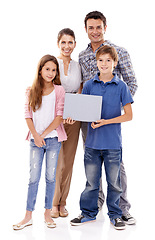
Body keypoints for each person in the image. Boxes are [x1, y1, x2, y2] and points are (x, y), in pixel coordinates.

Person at [79, 11, 138, 225]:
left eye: (98, 27)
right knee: (92, 165)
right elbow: (82, 86)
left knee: (115, 167)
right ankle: (93, 208)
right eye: (90, 27)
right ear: (86, 30)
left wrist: (116, 103)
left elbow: (131, 82)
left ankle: (121, 209)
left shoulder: (120, 51)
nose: (95, 31)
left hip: (112, 121)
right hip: (90, 120)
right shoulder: (83, 56)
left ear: (105, 27)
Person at [70, 45, 133, 230]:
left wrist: (106, 122)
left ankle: (115, 215)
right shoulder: (89, 85)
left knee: (114, 183)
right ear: (95, 62)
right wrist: (72, 114)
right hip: (92, 144)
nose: (104, 64)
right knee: (91, 182)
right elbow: (82, 111)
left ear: (115, 63)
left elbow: (128, 115)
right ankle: (88, 214)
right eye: (100, 60)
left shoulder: (121, 86)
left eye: (108, 60)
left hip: (113, 144)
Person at [13, 55, 67, 230]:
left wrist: (42, 135)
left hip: (53, 140)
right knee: (33, 178)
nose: (50, 73)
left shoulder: (59, 90)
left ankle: (47, 213)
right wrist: (36, 136)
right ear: (40, 70)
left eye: (54, 70)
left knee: (50, 178)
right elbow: (27, 115)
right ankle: (28, 216)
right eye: (47, 69)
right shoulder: (31, 90)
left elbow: (59, 117)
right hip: (36, 140)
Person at [51, 28, 82, 218]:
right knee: (56, 161)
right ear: (58, 44)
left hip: (74, 117)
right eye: (63, 42)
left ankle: (63, 203)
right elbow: (48, 87)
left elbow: (80, 88)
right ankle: (53, 203)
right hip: (55, 116)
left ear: (75, 44)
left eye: (70, 42)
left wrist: (74, 112)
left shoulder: (78, 66)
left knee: (68, 162)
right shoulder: (52, 63)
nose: (67, 46)